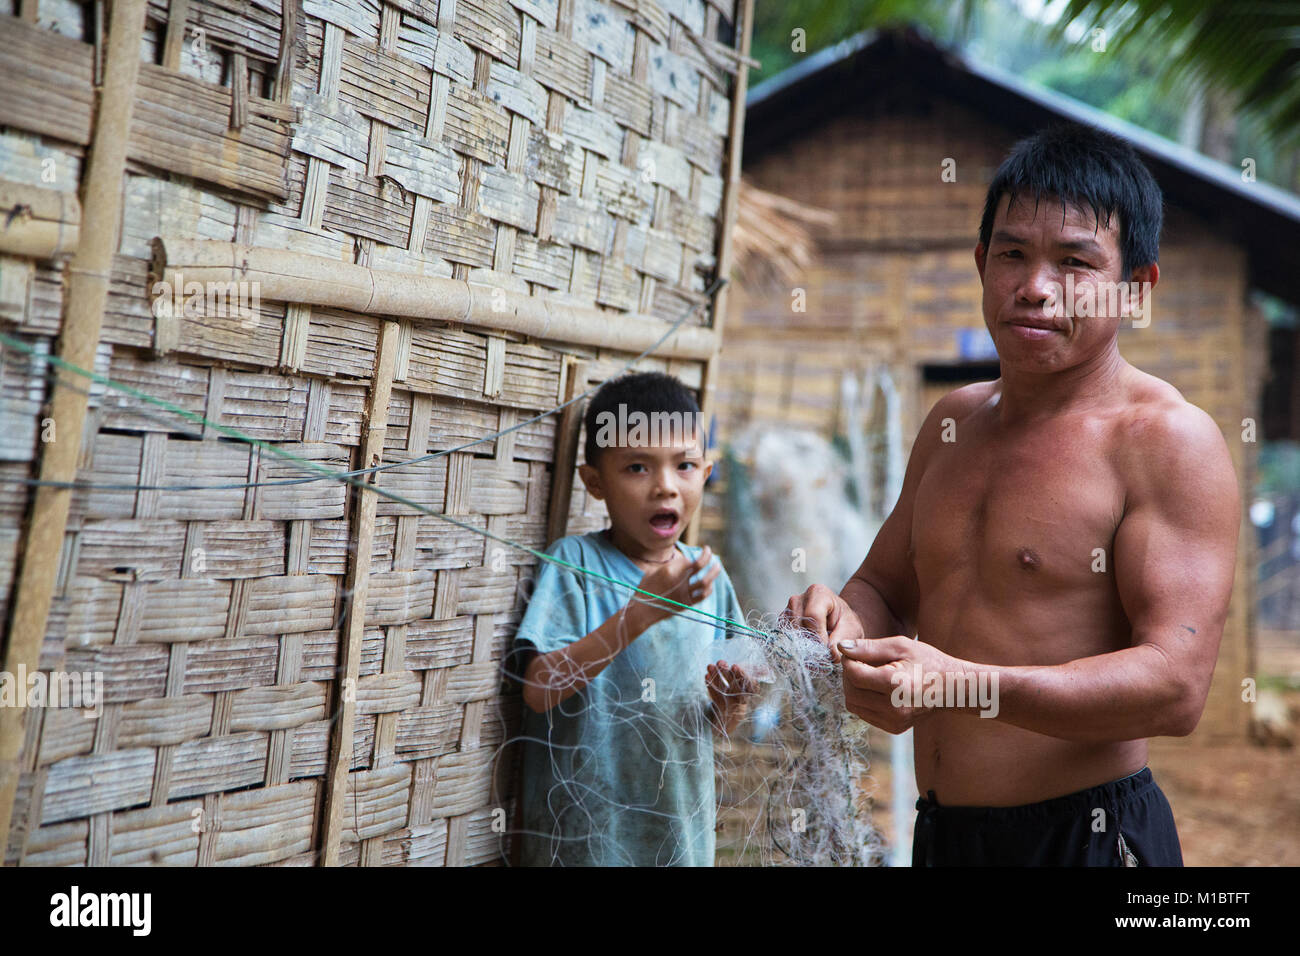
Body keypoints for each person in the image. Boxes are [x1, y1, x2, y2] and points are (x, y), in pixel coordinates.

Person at [786, 122, 1239, 866]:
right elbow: (885, 586)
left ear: (1137, 286)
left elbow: (1173, 686)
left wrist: (961, 686)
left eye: (1074, 262)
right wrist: (838, 621)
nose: (1035, 287)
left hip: (1086, 839)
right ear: (980, 263)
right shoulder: (953, 421)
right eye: (1012, 254)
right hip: (945, 838)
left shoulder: (1166, 441)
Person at [511, 371, 756, 866]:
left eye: (684, 465)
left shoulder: (708, 579)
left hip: (678, 842)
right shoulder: (574, 565)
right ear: (595, 483)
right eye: (638, 467)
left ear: (706, 473)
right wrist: (641, 613)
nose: (665, 487)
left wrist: (732, 701)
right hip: (584, 846)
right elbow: (538, 689)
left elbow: (722, 722)